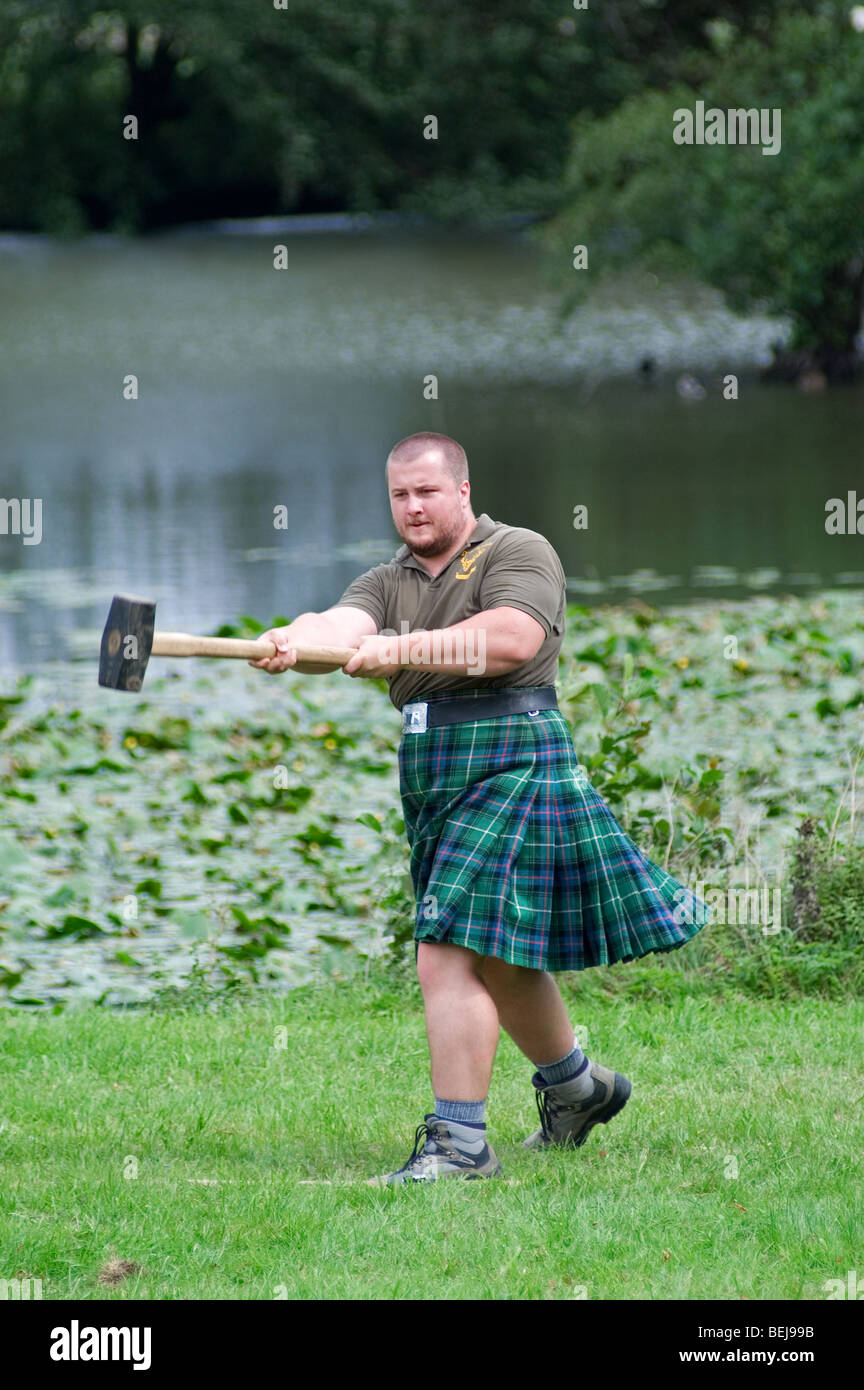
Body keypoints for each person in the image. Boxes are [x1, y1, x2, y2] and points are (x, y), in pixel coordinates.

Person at [249, 431, 710, 1185]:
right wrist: (297, 639)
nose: (412, 506)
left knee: (446, 945)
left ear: (463, 490)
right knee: (496, 951)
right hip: (433, 769)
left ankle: (459, 1143)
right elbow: (341, 625)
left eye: (427, 491)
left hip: (514, 755)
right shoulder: (386, 580)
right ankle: (577, 1089)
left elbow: (509, 638)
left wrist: (400, 652)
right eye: (400, 494)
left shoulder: (517, 551)